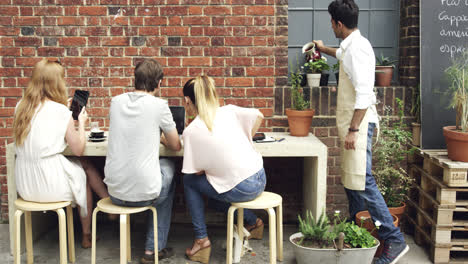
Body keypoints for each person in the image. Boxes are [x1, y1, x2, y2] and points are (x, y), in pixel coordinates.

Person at [313, 1, 409, 263]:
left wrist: (354, 130)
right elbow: (343, 55)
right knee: (352, 183)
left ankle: (393, 238)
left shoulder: (359, 50)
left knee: (363, 182)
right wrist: (323, 49)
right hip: (351, 126)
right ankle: (355, 230)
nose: (331, 26)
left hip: (359, 125)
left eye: (332, 22)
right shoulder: (351, 46)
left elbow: (365, 95)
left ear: (338, 24)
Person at [13, 58, 110, 248]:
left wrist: (64, 113)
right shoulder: (60, 112)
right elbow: (79, 149)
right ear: (56, 82)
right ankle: (87, 235)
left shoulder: (20, 107)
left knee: (83, 168)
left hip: (26, 185)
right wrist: (80, 122)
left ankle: (106, 205)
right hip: (50, 185)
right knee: (82, 176)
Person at [104, 58, 181, 264]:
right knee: (169, 168)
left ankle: (151, 246)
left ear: (135, 80)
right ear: (159, 83)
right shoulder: (159, 105)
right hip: (145, 196)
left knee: (151, 171)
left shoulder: (116, 101)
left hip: (114, 193)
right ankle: (152, 249)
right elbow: (175, 145)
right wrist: (161, 136)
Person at [181, 76, 266, 264]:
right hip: (260, 177)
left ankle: (201, 240)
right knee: (214, 195)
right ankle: (253, 222)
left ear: (187, 101)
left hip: (241, 188)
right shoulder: (229, 110)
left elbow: (195, 172)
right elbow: (259, 115)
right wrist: (245, 140)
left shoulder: (191, 131)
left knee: (189, 182)